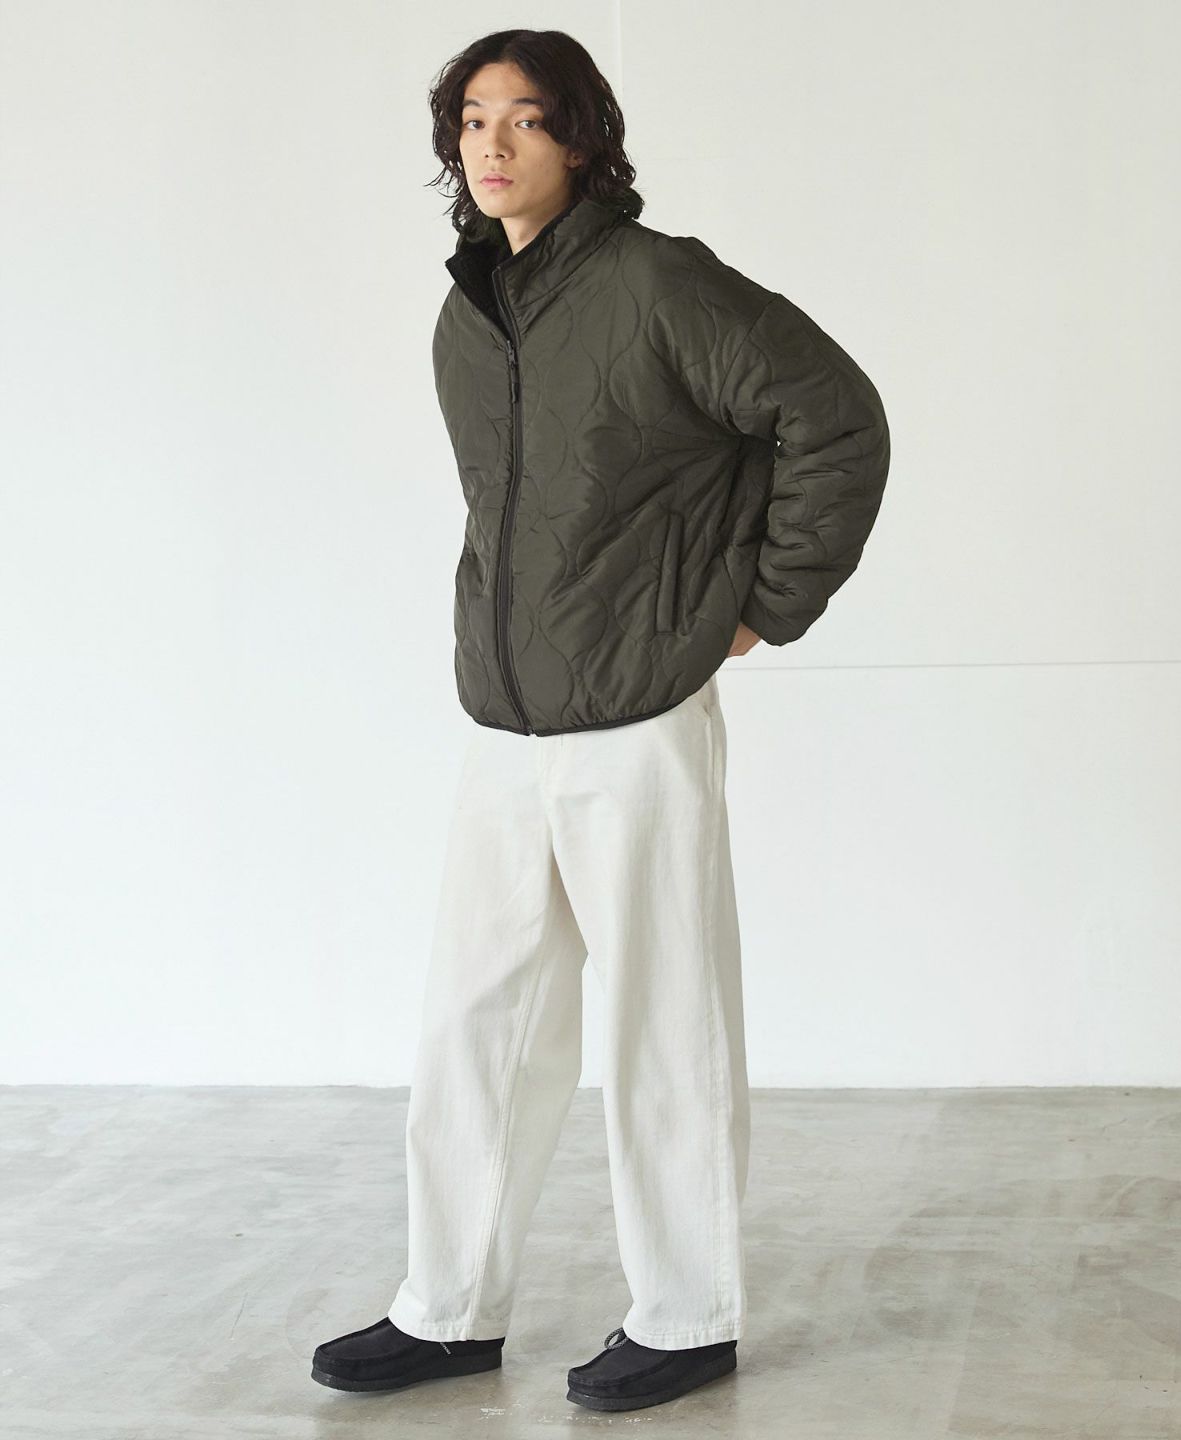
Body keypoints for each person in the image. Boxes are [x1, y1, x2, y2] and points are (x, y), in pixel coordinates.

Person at [312, 26, 890, 1414]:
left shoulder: (658, 283)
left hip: (637, 716)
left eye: (524, 118)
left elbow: (836, 417)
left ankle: (686, 1318)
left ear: (581, 137)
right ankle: (448, 1308)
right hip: (507, 722)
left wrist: (762, 605)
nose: (492, 144)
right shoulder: (468, 317)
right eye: (472, 121)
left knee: (663, 1022)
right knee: (475, 1024)